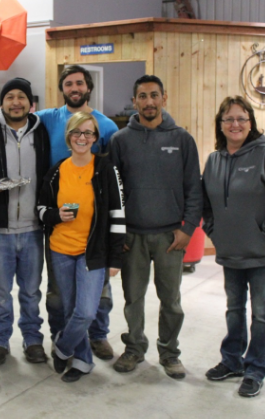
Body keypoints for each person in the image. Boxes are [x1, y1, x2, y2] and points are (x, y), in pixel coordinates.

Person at [0, 65, 119, 360]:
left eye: (79, 83)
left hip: (86, 226)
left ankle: (97, 334)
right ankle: (55, 336)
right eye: (68, 83)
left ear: (88, 87)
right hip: (50, 223)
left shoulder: (106, 126)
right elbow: (12, 118)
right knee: (52, 292)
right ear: (62, 88)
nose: (74, 87)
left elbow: (113, 179)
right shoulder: (45, 120)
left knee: (97, 293)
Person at [202, 96, 265, 397]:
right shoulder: (214, 160)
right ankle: (232, 361)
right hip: (229, 252)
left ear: (251, 122)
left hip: (262, 253)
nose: (235, 124)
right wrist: (215, 233)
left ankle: (255, 369)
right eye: (228, 119)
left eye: (241, 118)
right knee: (233, 310)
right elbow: (207, 204)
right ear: (220, 125)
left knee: (261, 314)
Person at [109, 75, 202, 379]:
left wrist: (187, 229)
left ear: (164, 97)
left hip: (169, 236)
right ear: (134, 101)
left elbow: (193, 188)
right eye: (142, 96)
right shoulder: (120, 141)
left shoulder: (182, 139)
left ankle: (169, 351)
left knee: (171, 301)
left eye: (154, 95)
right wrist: (118, 232)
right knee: (133, 298)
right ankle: (134, 348)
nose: (149, 102)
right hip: (133, 236)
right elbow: (114, 191)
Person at [38, 112, 125, 382]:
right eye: (77, 132)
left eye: (88, 133)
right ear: (68, 137)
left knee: (86, 311)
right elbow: (40, 209)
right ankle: (83, 361)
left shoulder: (106, 169)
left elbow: (118, 214)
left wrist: (115, 259)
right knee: (69, 308)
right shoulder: (55, 172)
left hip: (93, 253)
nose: (82, 138)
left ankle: (63, 348)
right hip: (60, 249)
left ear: (95, 139)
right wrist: (55, 215)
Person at [0, 78, 51, 365]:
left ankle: (32, 340)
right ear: (1, 102)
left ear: (30, 103)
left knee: (31, 292)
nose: (15, 102)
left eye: (21, 97)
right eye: (10, 97)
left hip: (33, 228)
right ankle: (0, 340)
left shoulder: (42, 132)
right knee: (0, 293)